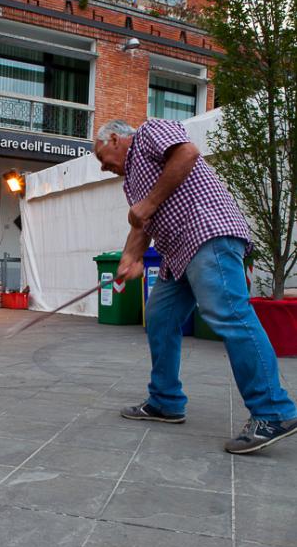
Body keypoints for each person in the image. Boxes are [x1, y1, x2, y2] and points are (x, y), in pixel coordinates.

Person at [94, 119, 297, 455]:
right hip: (177, 254)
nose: (103, 168)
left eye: (103, 158)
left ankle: (273, 411)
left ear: (115, 138)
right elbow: (142, 223)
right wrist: (129, 258)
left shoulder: (149, 133)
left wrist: (148, 204)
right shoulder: (131, 182)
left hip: (207, 234)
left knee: (230, 315)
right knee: (159, 318)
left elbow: (187, 154)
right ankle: (165, 400)